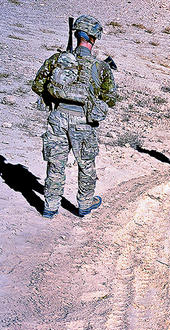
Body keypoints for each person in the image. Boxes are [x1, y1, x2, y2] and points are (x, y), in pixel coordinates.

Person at [32, 15, 118, 218]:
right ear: (94, 38)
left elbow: (37, 85)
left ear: (76, 34)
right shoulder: (100, 67)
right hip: (83, 122)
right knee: (86, 164)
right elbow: (111, 98)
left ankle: (50, 207)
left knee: (56, 164)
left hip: (58, 117)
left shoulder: (57, 60)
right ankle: (84, 205)